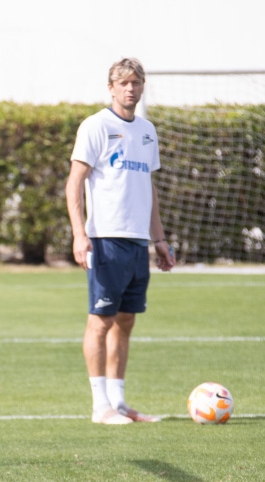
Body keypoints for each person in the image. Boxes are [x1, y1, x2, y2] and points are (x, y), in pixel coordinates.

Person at [65, 57, 175, 426]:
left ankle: (119, 402)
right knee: (100, 320)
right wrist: (79, 234)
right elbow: (74, 183)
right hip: (105, 240)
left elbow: (148, 188)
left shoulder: (147, 130)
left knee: (126, 321)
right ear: (111, 88)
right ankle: (100, 407)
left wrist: (159, 239)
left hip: (138, 242)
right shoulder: (96, 126)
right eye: (124, 83)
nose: (131, 88)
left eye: (136, 82)